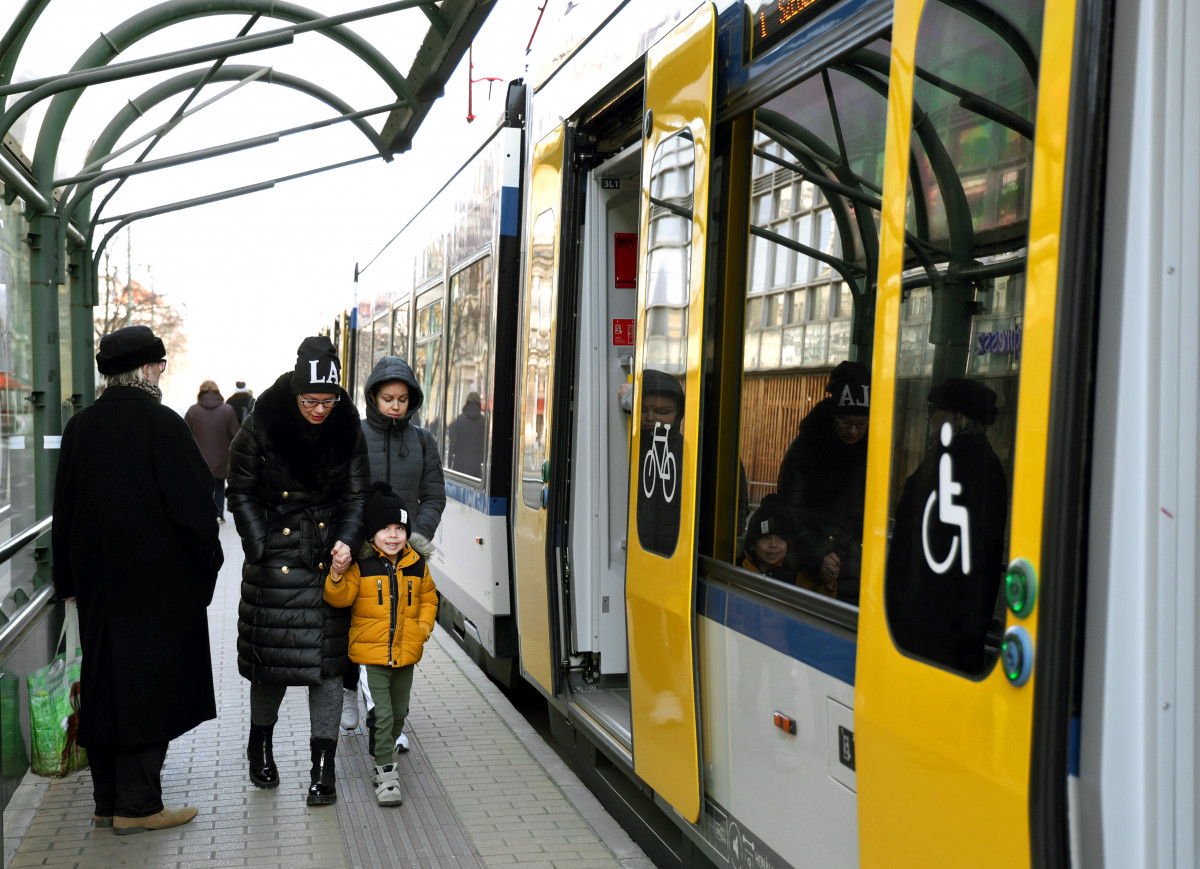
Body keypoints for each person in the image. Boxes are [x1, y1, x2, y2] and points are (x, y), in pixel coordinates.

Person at [52, 325, 223, 835]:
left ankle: (108, 801)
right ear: (148, 369)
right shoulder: (162, 424)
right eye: (160, 366)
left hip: (100, 590)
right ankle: (140, 805)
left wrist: (69, 583)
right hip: (158, 591)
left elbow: (65, 510)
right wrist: (206, 571)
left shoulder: (81, 427)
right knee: (151, 691)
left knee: (106, 687)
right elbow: (195, 511)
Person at [226, 336, 370, 806]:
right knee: (272, 666)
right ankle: (260, 745)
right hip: (274, 564)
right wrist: (259, 543)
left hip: (326, 561)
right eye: (310, 401)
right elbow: (240, 487)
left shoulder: (347, 425)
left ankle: (322, 768)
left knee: (327, 668)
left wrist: (347, 540)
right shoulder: (263, 421)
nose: (319, 409)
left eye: (327, 401)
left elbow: (356, 496)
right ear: (295, 393)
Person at [885, 377, 1009, 675]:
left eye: (935, 412)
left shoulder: (946, 464)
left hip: (929, 629)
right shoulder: (988, 465)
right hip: (964, 627)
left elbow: (919, 541)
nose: (929, 418)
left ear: (956, 417)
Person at [324, 482, 437, 806]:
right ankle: (386, 773)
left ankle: (385, 755)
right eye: (384, 529)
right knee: (383, 715)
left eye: (399, 528)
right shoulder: (362, 566)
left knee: (399, 712)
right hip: (372, 656)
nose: (392, 535)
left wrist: (422, 628)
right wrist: (336, 573)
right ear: (371, 535)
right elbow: (339, 597)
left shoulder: (416, 565)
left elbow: (429, 598)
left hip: (407, 653)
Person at [355, 356, 445, 746]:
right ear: (374, 397)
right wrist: (355, 540)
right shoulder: (355, 436)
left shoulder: (423, 441)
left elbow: (433, 496)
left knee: (396, 634)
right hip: (363, 552)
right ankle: (369, 708)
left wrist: (415, 539)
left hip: (404, 554)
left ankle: (387, 720)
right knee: (366, 631)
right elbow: (345, 493)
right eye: (388, 398)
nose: (395, 405)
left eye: (403, 399)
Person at [776, 360, 871, 606]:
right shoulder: (807, 447)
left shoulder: (873, 452)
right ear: (832, 417)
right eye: (846, 423)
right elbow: (792, 508)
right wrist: (820, 557)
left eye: (861, 424)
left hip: (854, 564)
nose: (853, 431)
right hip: (809, 561)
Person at [740, 494, 836, 596]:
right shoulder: (740, 568)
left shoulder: (795, 576)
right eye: (766, 538)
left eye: (780, 539)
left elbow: (816, 604)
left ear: (788, 544)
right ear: (752, 545)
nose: (773, 545)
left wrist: (828, 583)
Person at [184, 380, 240, 523]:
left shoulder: (193, 411)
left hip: (198, 459)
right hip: (221, 458)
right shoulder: (227, 410)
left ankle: (202, 513)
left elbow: (184, 435)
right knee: (219, 487)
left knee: (201, 488)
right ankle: (219, 514)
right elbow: (236, 435)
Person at [447, 391, 487, 476]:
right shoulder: (483, 422)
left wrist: (449, 463)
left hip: (459, 466)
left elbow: (453, 442)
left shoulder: (459, 419)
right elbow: (485, 446)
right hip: (475, 469)